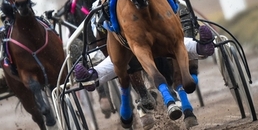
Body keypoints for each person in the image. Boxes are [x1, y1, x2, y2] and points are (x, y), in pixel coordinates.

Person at [73, 24, 215, 91]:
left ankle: (200, 47)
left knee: (172, 41)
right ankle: (94, 76)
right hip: (129, 43)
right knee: (120, 56)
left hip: (154, 36)